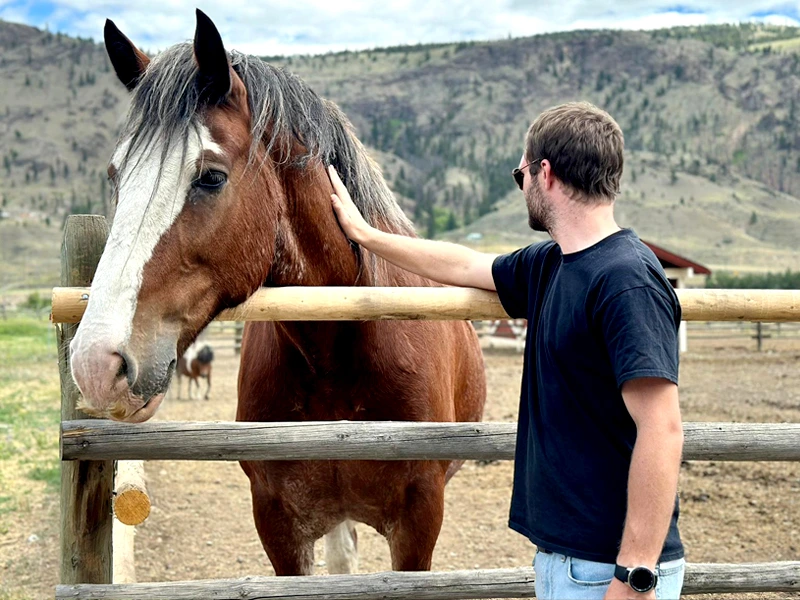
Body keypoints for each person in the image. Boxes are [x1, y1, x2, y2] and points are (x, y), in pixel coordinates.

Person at [327, 101, 685, 600]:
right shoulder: (552, 265)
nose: (522, 189)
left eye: (520, 176)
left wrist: (636, 574)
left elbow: (662, 428)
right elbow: (464, 264)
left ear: (545, 174)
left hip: (609, 570)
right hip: (569, 559)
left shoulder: (625, 280)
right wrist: (365, 235)